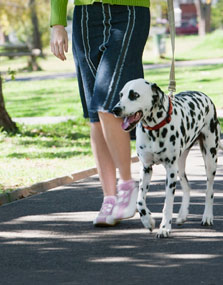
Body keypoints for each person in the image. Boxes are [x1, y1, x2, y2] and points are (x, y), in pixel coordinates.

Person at [50, 0, 150, 226]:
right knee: (95, 113)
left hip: (129, 12)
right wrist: (57, 22)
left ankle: (127, 186)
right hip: (85, 16)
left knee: (106, 102)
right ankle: (109, 198)